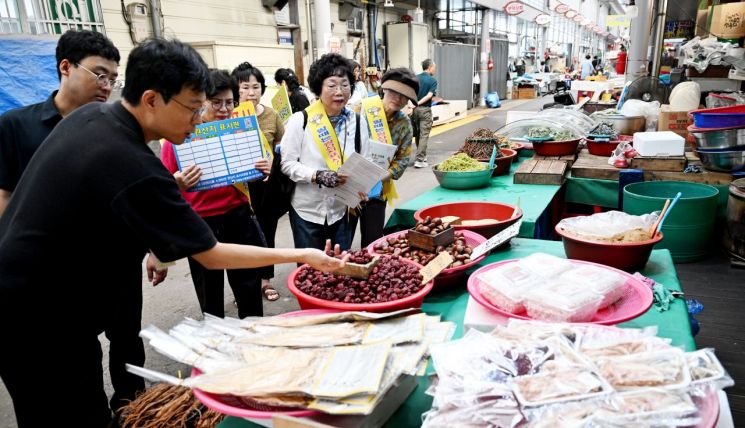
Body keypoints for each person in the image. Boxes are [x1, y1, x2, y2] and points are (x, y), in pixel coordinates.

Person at [0, 38, 345, 428]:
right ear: (151, 99)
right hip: (39, 320)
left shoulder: (93, 120)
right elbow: (211, 255)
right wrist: (302, 254)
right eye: (193, 109)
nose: (199, 120)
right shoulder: (132, 160)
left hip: (36, 305)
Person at [0, 30, 155, 416]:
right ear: (65, 68)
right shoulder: (17, 127)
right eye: (100, 75)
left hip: (115, 265)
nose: (107, 87)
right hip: (49, 284)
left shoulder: (119, 133)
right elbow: (4, 201)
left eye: (113, 80)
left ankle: (130, 406)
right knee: (59, 384)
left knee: (124, 339)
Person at [160, 69, 272, 318]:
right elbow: (162, 187)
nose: (224, 109)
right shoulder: (178, 137)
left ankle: (253, 336)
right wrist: (176, 182)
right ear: (202, 102)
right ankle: (215, 341)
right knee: (209, 293)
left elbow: (260, 170)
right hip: (199, 224)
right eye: (216, 102)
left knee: (248, 286)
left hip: (238, 218)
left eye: (230, 102)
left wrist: (265, 168)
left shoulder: (243, 132)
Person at [280, 53, 365, 251]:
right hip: (307, 210)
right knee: (309, 273)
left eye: (345, 85)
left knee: (340, 269)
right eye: (332, 85)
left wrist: (362, 187)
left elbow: (364, 160)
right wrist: (317, 175)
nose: (339, 92)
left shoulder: (358, 121)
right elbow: (287, 163)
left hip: (341, 209)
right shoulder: (300, 120)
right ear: (319, 87)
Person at [231, 62, 285, 301]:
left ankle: (265, 280)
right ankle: (245, 284)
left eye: (256, 87)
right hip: (237, 186)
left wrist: (273, 164)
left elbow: (283, 147)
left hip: (265, 185)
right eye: (245, 87)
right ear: (236, 90)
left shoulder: (272, 115)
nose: (251, 92)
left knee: (266, 233)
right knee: (241, 235)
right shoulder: (229, 115)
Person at [350, 68, 418, 248]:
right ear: (385, 89)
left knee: (372, 241)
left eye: (405, 96)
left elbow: (402, 161)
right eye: (395, 92)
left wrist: (377, 176)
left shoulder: (404, 124)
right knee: (343, 239)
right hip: (350, 185)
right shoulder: (361, 109)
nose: (398, 98)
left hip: (377, 189)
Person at [413, 58, 437, 168]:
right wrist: (417, 103)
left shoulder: (416, 78)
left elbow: (410, 92)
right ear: (430, 67)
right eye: (434, 68)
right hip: (425, 110)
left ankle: (423, 156)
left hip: (414, 110)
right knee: (424, 135)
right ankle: (419, 160)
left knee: (418, 134)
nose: (435, 70)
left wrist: (412, 104)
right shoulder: (432, 81)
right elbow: (429, 95)